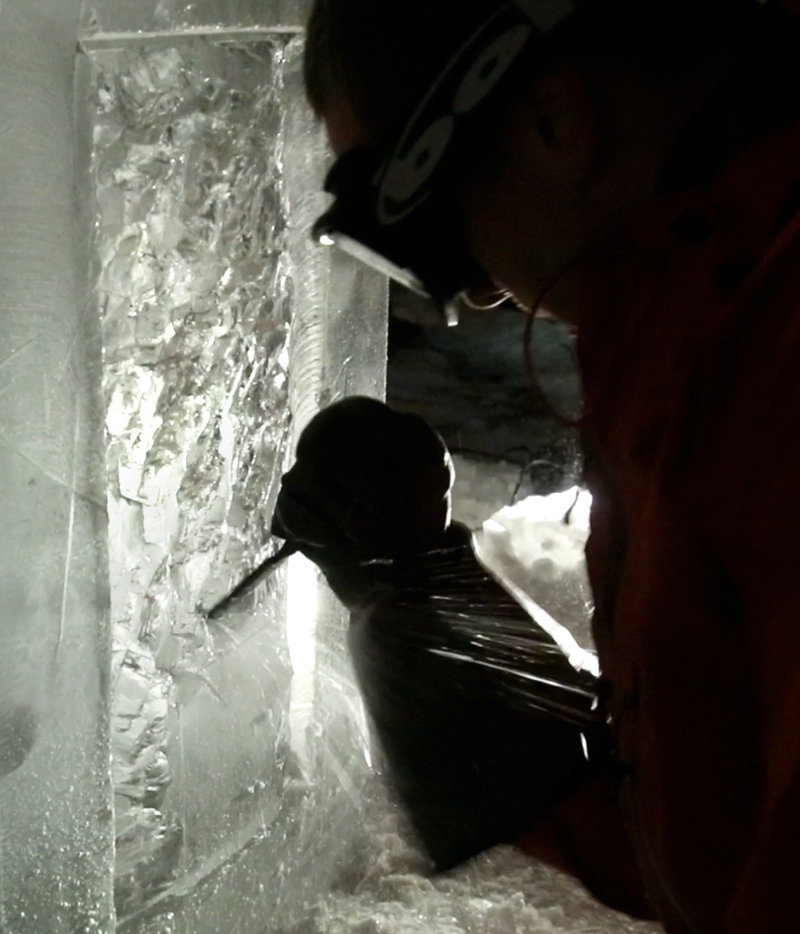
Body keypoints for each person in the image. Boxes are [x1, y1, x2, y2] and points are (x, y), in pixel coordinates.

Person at [276, 1, 800, 930]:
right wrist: (417, 584)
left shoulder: (770, 366)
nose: (467, 296)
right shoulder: (693, 339)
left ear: (556, 120)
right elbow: (690, 827)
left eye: (428, 225)